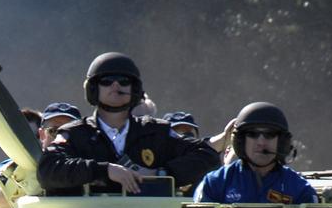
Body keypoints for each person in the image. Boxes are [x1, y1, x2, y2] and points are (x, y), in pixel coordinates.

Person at [37, 53, 218, 196]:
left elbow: (206, 155)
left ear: (135, 89)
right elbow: (48, 170)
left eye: (124, 81)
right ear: (93, 89)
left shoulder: (156, 132)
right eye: (106, 81)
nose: (116, 85)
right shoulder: (75, 134)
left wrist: (160, 174)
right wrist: (103, 170)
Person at [194, 102, 317, 205]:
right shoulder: (215, 184)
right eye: (253, 134)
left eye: (269, 134)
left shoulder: (299, 189)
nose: (261, 142)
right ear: (240, 141)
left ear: (281, 143)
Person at [0, 103, 83, 208]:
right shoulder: (13, 168)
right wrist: (32, 191)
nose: (62, 138)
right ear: (42, 135)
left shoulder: (89, 164)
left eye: (71, 132)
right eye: (54, 131)